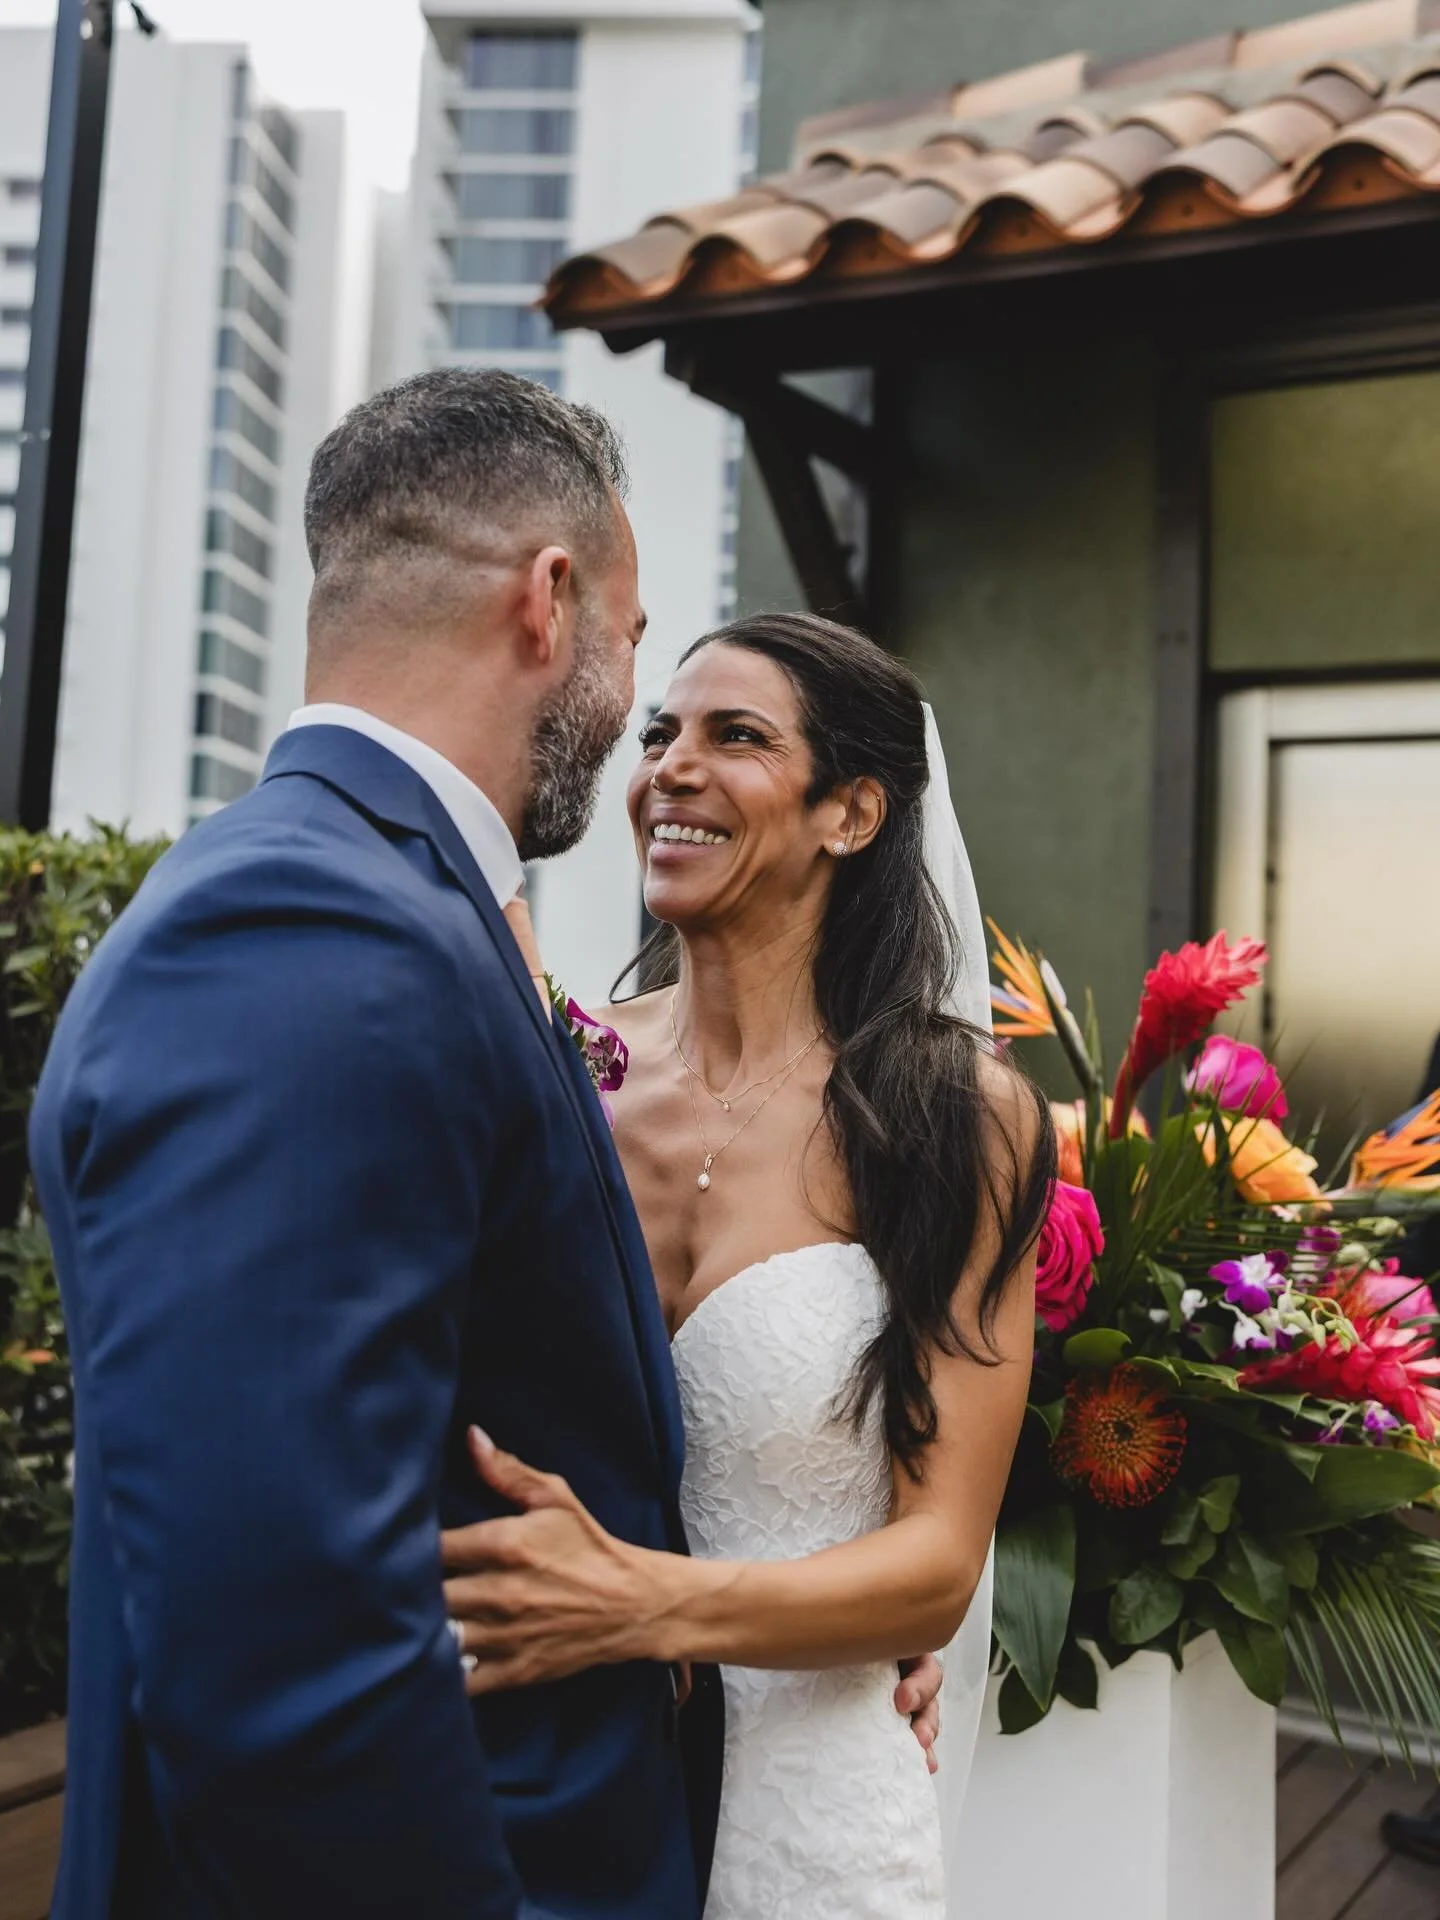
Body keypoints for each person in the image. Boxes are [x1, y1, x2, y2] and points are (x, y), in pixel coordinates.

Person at [28, 372, 940, 1918]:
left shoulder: (389, 908)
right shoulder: (310, 931)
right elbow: (279, 1639)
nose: (648, 737)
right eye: (641, 654)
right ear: (553, 600)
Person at [442, 613, 1055, 1918]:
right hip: (546, 1766)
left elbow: (939, 1564)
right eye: (661, 732)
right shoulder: (563, 1069)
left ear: (853, 812)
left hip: (811, 1792)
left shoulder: (960, 1120)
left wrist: (644, 1606)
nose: (670, 765)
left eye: (737, 738)